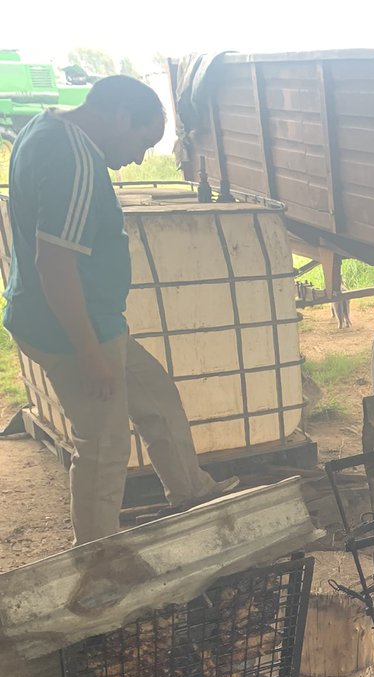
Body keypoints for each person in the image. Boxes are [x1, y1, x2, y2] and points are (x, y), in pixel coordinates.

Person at [2, 75, 238, 545]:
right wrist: (89, 354)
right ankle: (95, 559)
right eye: (141, 142)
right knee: (105, 446)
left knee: (157, 398)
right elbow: (55, 265)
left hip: (85, 320)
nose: (137, 158)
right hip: (72, 329)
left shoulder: (43, 130)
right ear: (119, 116)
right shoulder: (74, 159)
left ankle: (191, 492)